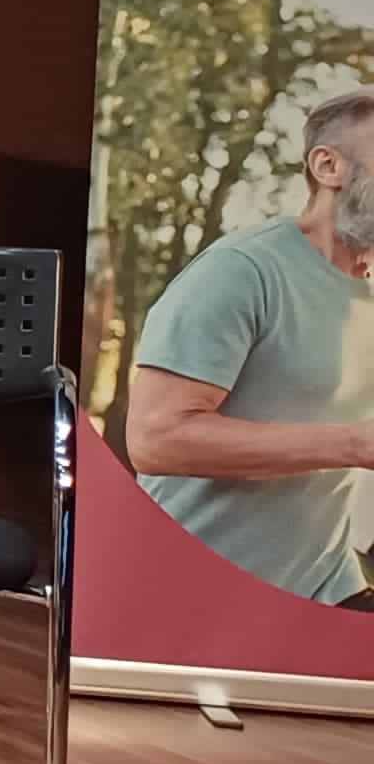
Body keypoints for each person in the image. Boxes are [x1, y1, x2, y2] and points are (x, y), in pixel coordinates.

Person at [127, 91, 374, 608]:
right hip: (196, 587)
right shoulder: (242, 271)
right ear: (328, 166)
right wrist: (356, 444)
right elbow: (156, 439)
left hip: (326, 584)